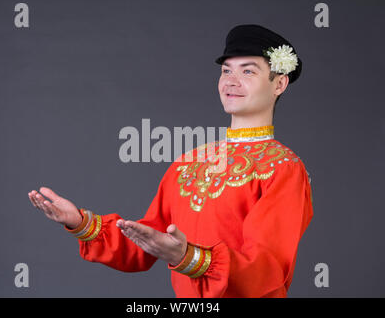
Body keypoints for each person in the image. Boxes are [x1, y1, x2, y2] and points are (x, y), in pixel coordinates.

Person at [28, 24, 314, 298]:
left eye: (248, 71)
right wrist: (80, 222)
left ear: (279, 83)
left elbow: (267, 268)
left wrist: (189, 257)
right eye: (226, 70)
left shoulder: (284, 168)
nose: (230, 81)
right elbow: (145, 242)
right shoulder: (190, 161)